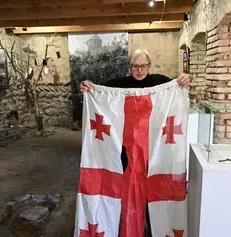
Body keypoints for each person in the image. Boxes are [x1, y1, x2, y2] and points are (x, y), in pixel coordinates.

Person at [79, 48, 190, 236]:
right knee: (127, 191)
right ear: (129, 67)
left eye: (143, 66)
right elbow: (97, 89)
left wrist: (184, 81)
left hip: (153, 149)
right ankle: (126, 227)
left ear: (149, 66)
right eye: (135, 66)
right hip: (126, 150)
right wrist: (87, 86)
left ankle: (154, 228)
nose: (139, 70)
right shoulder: (121, 85)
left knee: (152, 191)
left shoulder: (160, 82)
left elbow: (177, 85)